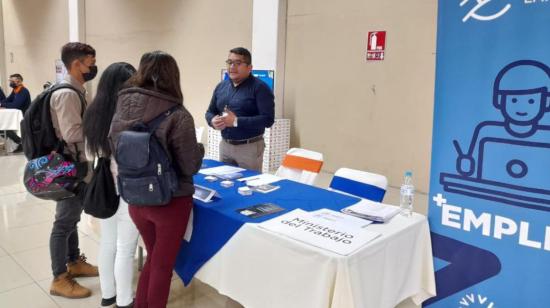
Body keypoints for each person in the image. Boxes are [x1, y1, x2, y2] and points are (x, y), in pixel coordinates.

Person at [109, 51, 204, 308]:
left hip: (134, 197)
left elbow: (114, 147)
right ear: (173, 76)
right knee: (162, 265)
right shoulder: (178, 114)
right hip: (169, 201)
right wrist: (200, 150)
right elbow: (190, 164)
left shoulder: (122, 106)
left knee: (153, 259)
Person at [82, 62, 138, 308]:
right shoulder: (129, 112)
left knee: (107, 242)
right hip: (128, 187)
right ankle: (125, 300)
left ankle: (108, 295)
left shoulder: (93, 111)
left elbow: (88, 152)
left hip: (104, 186)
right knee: (126, 249)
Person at [49, 42, 99, 299]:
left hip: (76, 164)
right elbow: (71, 133)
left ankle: (74, 262)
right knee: (64, 221)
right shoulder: (67, 93)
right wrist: (99, 128)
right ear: (77, 63)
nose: (93, 67)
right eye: (90, 63)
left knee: (72, 218)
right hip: (66, 167)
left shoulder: (76, 90)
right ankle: (59, 277)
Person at [205, 47, 275, 171]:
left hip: (249, 147)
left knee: (247, 186)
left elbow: (268, 120)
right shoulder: (221, 87)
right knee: (225, 184)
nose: (232, 67)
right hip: (225, 146)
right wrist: (212, 121)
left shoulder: (260, 88)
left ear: (249, 67)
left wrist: (236, 121)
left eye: (238, 63)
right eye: (229, 62)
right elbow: (210, 112)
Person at [0, 73, 31, 152]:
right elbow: (8, 100)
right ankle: (19, 142)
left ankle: (20, 141)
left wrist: (1, 104)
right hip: (16, 114)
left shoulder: (23, 91)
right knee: (3, 125)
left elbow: (16, 105)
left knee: (5, 125)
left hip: (23, 115)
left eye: (12, 81)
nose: (10, 83)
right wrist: (1, 103)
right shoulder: (15, 90)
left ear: (18, 81)